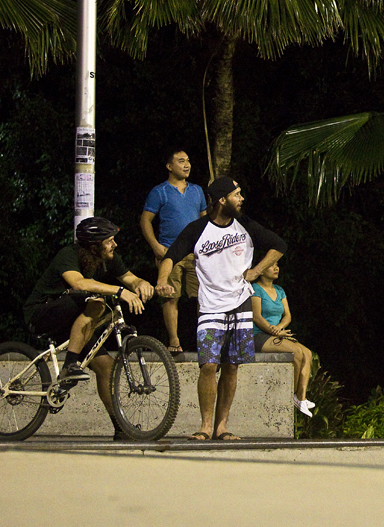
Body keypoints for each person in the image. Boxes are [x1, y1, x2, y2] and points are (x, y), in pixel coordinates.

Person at [156, 176, 286, 441]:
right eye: (237, 194)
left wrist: (256, 271)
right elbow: (171, 256)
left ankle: (221, 426)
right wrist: (161, 281)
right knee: (208, 365)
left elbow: (279, 246)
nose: (241, 199)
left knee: (232, 366)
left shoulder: (245, 225)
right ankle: (205, 426)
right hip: (211, 306)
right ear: (222, 200)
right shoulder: (197, 229)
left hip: (240, 303)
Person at [23, 217, 156, 437]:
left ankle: (120, 428)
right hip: (41, 313)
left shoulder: (107, 257)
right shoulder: (68, 254)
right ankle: (69, 366)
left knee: (106, 368)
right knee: (95, 302)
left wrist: (141, 283)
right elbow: (78, 283)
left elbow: (129, 278)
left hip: (74, 323)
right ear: (94, 245)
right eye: (109, 241)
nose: (114, 245)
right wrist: (119, 291)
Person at [140, 149, 207, 354]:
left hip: (196, 252)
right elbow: (145, 220)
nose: (187, 164)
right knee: (170, 296)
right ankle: (174, 340)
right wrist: (155, 246)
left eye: (188, 160)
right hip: (170, 251)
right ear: (169, 166)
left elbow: (205, 219)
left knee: (203, 297)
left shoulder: (197, 190)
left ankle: (205, 341)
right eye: (181, 161)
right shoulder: (159, 191)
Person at [250, 262, 316, 417]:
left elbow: (287, 316)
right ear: (261, 271)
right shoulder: (256, 289)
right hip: (259, 334)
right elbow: (256, 316)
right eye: (271, 265)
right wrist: (272, 330)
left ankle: (300, 398)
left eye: (277, 265)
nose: (276, 268)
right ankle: (289, 394)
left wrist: (279, 328)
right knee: (296, 352)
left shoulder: (279, 290)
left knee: (307, 353)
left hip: (276, 333)